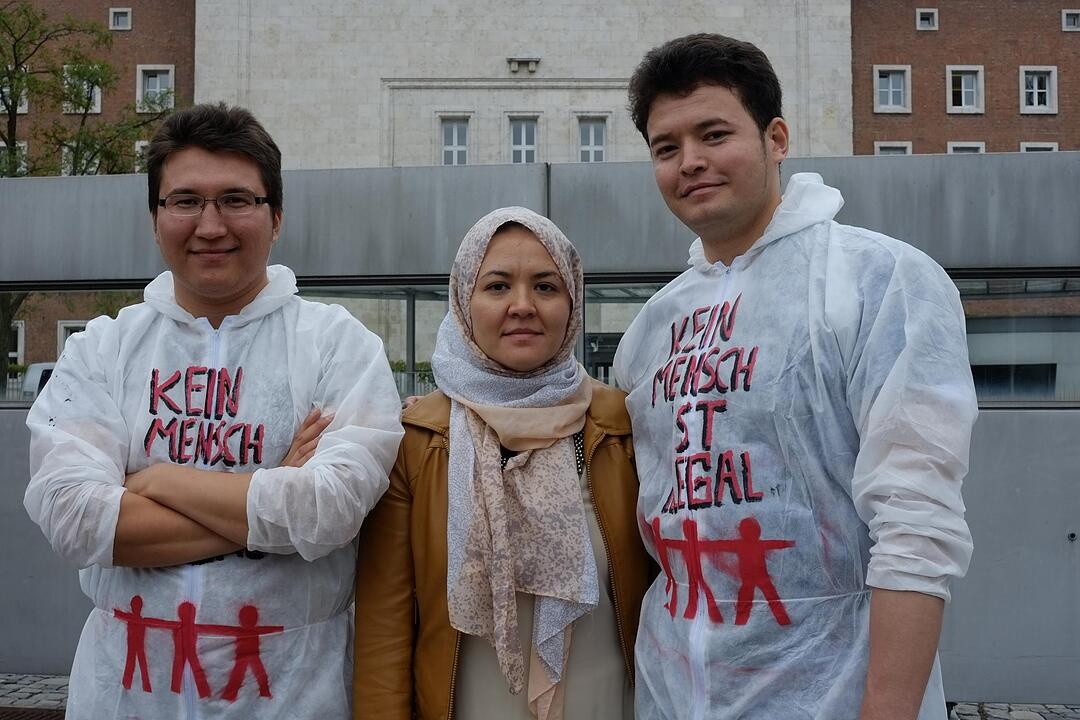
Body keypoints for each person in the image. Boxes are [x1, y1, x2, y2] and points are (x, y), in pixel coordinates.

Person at [613, 34, 978, 719]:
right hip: (674, 694)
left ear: (776, 138)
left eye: (714, 134)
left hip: (831, 693)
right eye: (666, 148)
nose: (690, 162)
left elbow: (917, 526)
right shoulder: (652, 327)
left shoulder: (879, 281)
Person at [23, 103, 404, 719]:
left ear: (275, 217)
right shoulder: (102, 349)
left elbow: (328, 511)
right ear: (155, 218)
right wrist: (271, 485)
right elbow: (74, 519)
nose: (210, 224)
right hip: (125, 698)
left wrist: (155, 481)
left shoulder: (338, 345)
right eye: (185, 201)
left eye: (236, 199)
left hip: (290, 699)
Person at [353, 207, 654, 720]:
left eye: (545, 286)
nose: (522, 306)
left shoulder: (624, 425)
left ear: (572, 302)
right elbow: (385, 626)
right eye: (496, 287)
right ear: (463, 302)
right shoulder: (418, 439)